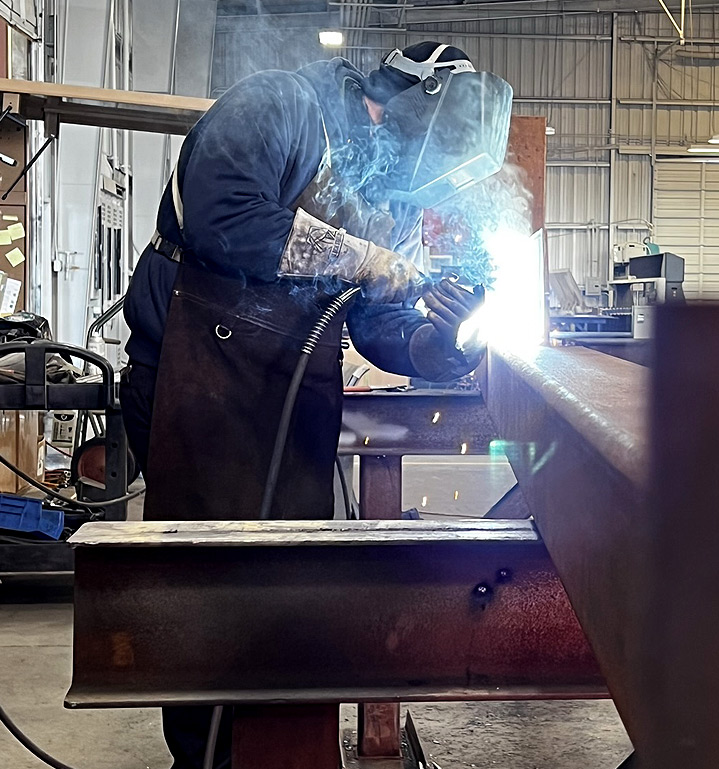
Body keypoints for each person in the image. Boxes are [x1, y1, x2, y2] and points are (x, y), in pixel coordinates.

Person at [119, 42, 513, 769]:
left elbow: (377, 323)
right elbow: (223, 216)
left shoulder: (390, 199)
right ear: (410, 105)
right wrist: (364, 258)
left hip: (292, 395)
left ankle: (274, 751)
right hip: (195, 377)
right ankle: (207, 760)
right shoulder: (282, 106)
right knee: (213, 592)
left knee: (287, 589)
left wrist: (441, 340)